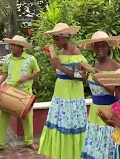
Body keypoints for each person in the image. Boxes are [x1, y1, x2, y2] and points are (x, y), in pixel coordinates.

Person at [38, 23, 88, 159]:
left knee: (71, 123)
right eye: (54, 39)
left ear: (65, 37)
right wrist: (54, 63)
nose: (55, 42)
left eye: (57, 39)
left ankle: (73, 154)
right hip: (60, 91)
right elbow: (58, 72)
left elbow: (82, 77)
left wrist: (60, 65)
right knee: (61, 122)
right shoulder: (60, 52)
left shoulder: (75, 52)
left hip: (72, 94)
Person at [76, 31, 120, 159]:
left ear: (108, 47)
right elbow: (94, 87)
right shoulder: (96, 65)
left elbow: (119, 94)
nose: (100, 49)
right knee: (95, 145)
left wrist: (102, 81)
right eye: (97, 46)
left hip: (110, 111)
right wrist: (83, 76)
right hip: (95, 111)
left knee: (107, 145)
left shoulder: (116, 67)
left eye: (103, 46)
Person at [0, 35, 41, 154]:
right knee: (2, 117)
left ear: (21, 47)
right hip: (8, 91)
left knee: (27, 118)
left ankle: (29, 141)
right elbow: (5, 73)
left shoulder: (31, 59)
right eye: (11, 44)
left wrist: (25, 78)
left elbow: (38, 73)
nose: (11, 47)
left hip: (24, 92)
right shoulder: (8, 58)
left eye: (14, 45)